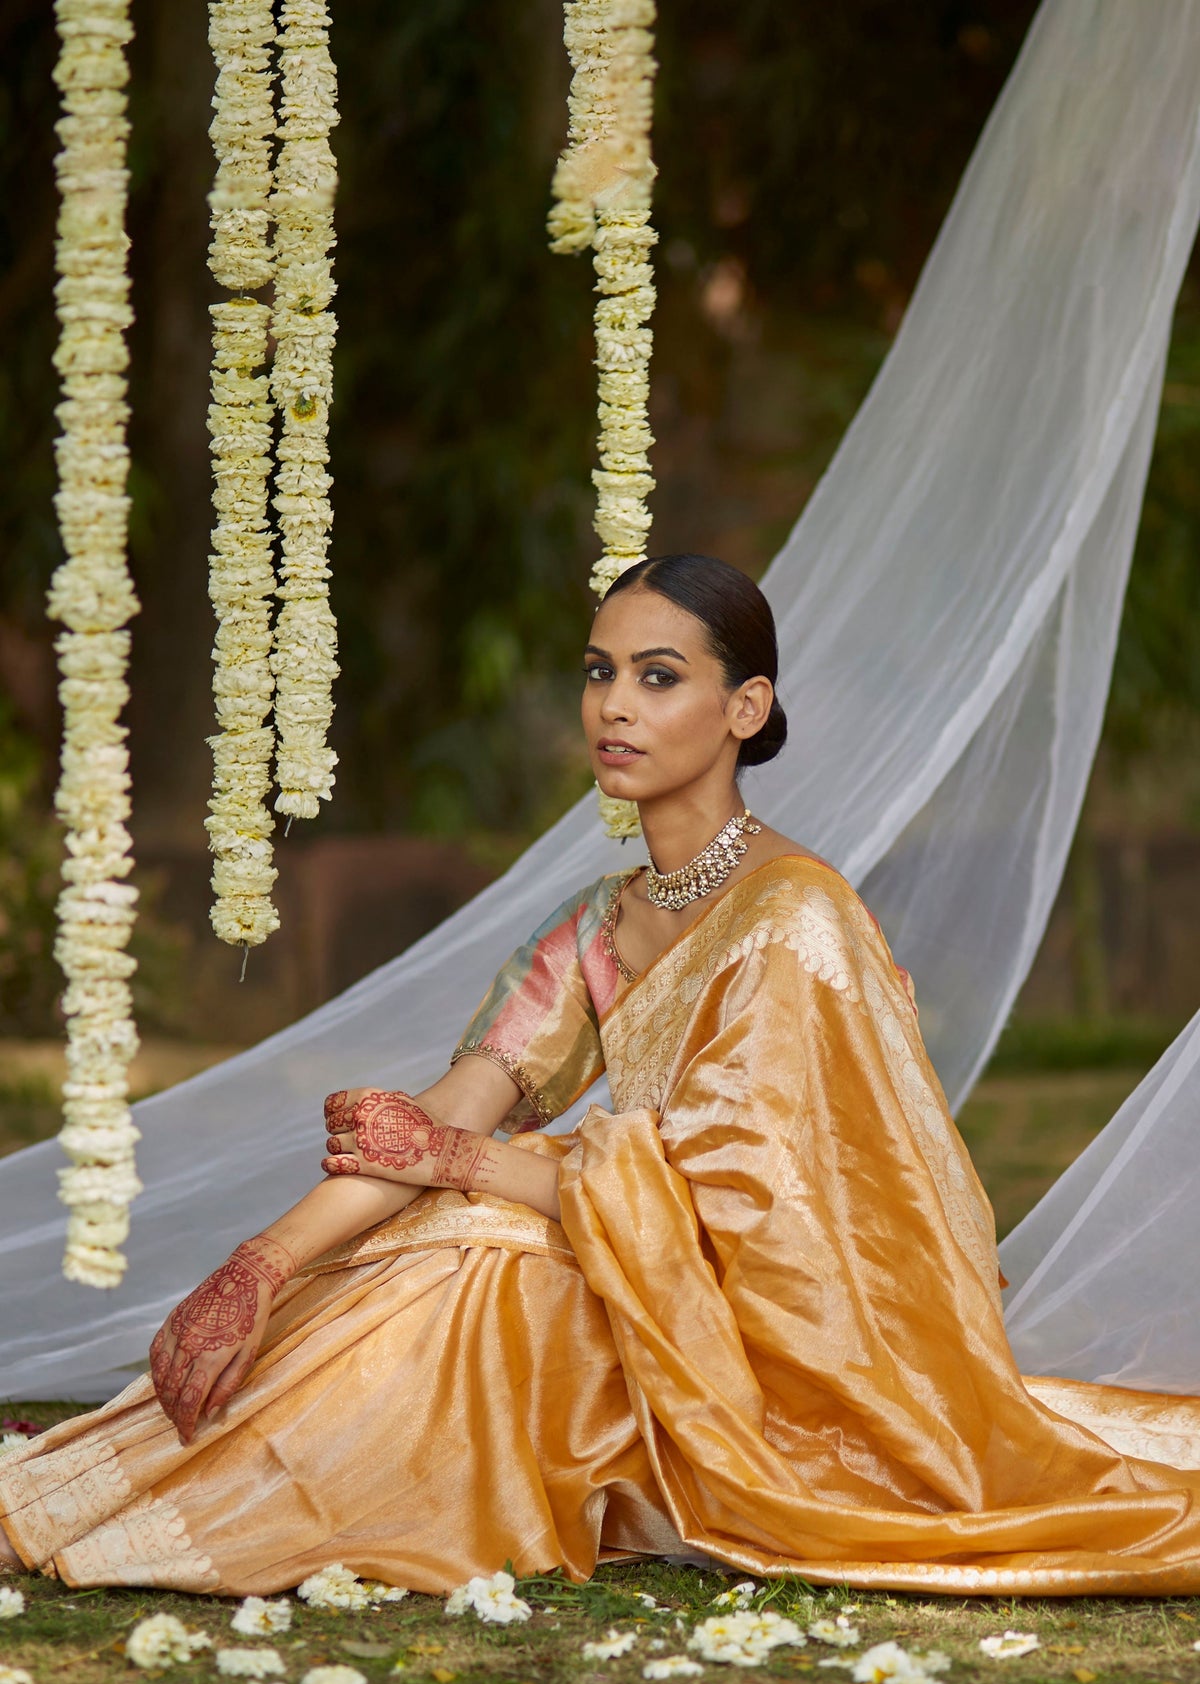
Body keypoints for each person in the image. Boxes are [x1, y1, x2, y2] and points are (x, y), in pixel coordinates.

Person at [4, 552, 1200, 1598]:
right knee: (417, 1244)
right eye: (598, 672)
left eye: (658, 677)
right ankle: (120, 1480)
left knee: (481, 1259)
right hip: (651, 1283)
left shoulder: (796, 919)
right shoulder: (598, 923)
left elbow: (774, 1221)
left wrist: (472, 1166)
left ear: (747, 707)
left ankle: (182, 1508)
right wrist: (261, 1262)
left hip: (807, 1354)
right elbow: (446, 1115)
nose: (613, 707)